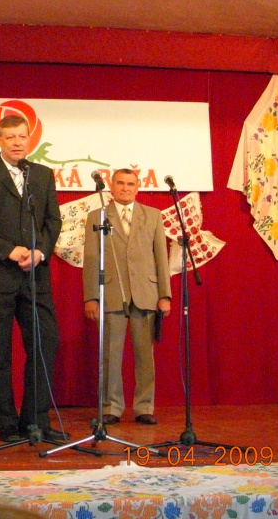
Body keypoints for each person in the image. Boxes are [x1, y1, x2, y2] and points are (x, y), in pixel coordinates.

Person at [0, 115, 66, 443]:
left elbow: (53, 220)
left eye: (22, 136)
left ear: (29, 138)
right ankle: (7, 425)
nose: (17, 142)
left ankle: (36, 421)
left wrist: (40, 252)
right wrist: (9, 250)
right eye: (10, 137)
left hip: (35, 276)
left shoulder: (42, 174)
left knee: (45, 343)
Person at [82, 168, 171, 425]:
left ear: (137, 187)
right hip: (111, 293)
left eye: (130, 184)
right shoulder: (98, 216)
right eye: (120, 183)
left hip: (146, 293)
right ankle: (112, 406)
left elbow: (161, 257)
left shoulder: (153, 215)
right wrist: (91, 297)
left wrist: (165, 295)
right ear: (111, 186)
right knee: (111, 354)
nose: (125, 188)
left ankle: (144, 407)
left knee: (145, 356)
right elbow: (91, 259)